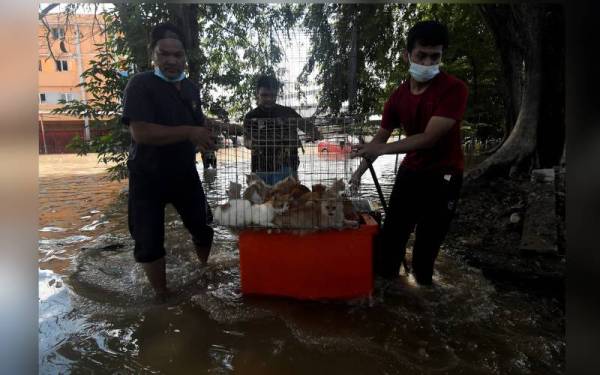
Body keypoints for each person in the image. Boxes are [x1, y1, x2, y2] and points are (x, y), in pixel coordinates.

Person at [350, 20, 468, 285]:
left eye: (434, 56)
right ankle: (389, 301)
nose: (427, 63)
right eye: (421, 55)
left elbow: (429, 138)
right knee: (390, 241)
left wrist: (381, 148)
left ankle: (424, 300)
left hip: (444, 176)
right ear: (407, 55)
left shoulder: (454, 89)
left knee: (426, 249)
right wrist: (359, 172)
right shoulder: (397, 97)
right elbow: (378, 140)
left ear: (441, 56)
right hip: (410, 172)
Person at [121, 22, 216, 301]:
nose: (172, 61)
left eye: (178, 55)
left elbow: (197, 122)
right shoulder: (139, 85)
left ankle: (203, 269)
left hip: (184, 172)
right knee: (148, 242)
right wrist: (189, 132)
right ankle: (161, 296)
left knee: (203, 227)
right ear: (154, 54)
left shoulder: (190, 87)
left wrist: (209, 130)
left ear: (185, 57)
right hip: (147, 175)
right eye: (165, 54)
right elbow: (140, 132)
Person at [243, 75, 321, 185]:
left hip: (287, 168)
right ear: (257, 93)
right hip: (260, 169)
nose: (269, 99)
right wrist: (253, 143)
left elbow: (308, 127)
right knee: (262, 201)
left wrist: (314, 132)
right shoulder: (250, 116)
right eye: (264, 95)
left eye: (273, 95)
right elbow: (246, 141)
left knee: (287, 200)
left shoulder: (288, 113)